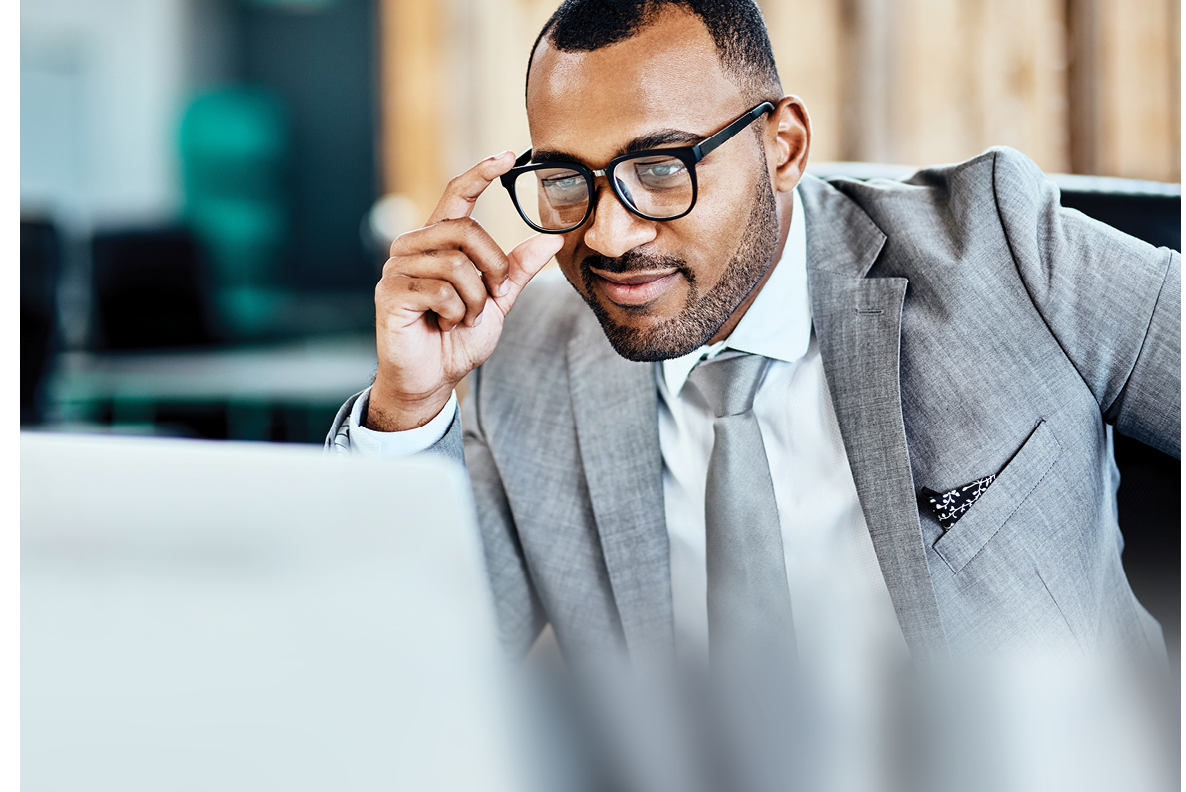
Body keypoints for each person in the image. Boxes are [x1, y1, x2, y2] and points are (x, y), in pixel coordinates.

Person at [329, 1, 1180, 789]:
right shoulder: (523, 360)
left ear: (784, 146)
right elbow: (384, 680)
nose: (609, 234)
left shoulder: (997, 251)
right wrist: (407, 407)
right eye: (565, 180)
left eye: (660, 169)